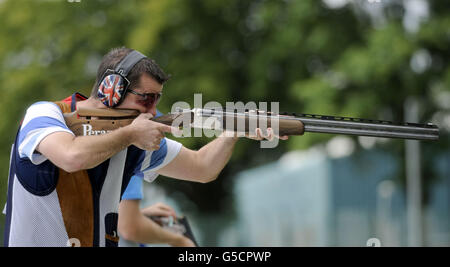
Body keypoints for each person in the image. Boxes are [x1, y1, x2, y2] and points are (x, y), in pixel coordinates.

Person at [3, 47, 284, 247]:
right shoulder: (44, 114)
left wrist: (233, 132)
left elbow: (202, 168)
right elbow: (72, 156)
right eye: (146, 99)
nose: (153, 110)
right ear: (110, 89)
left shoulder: (134, 140)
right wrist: (129, 135)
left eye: (157, 99)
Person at [118, 176, 196, 247]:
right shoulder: (130, 165)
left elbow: (124, 223)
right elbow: (129, 228)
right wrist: (181, 241)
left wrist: (138, 215)